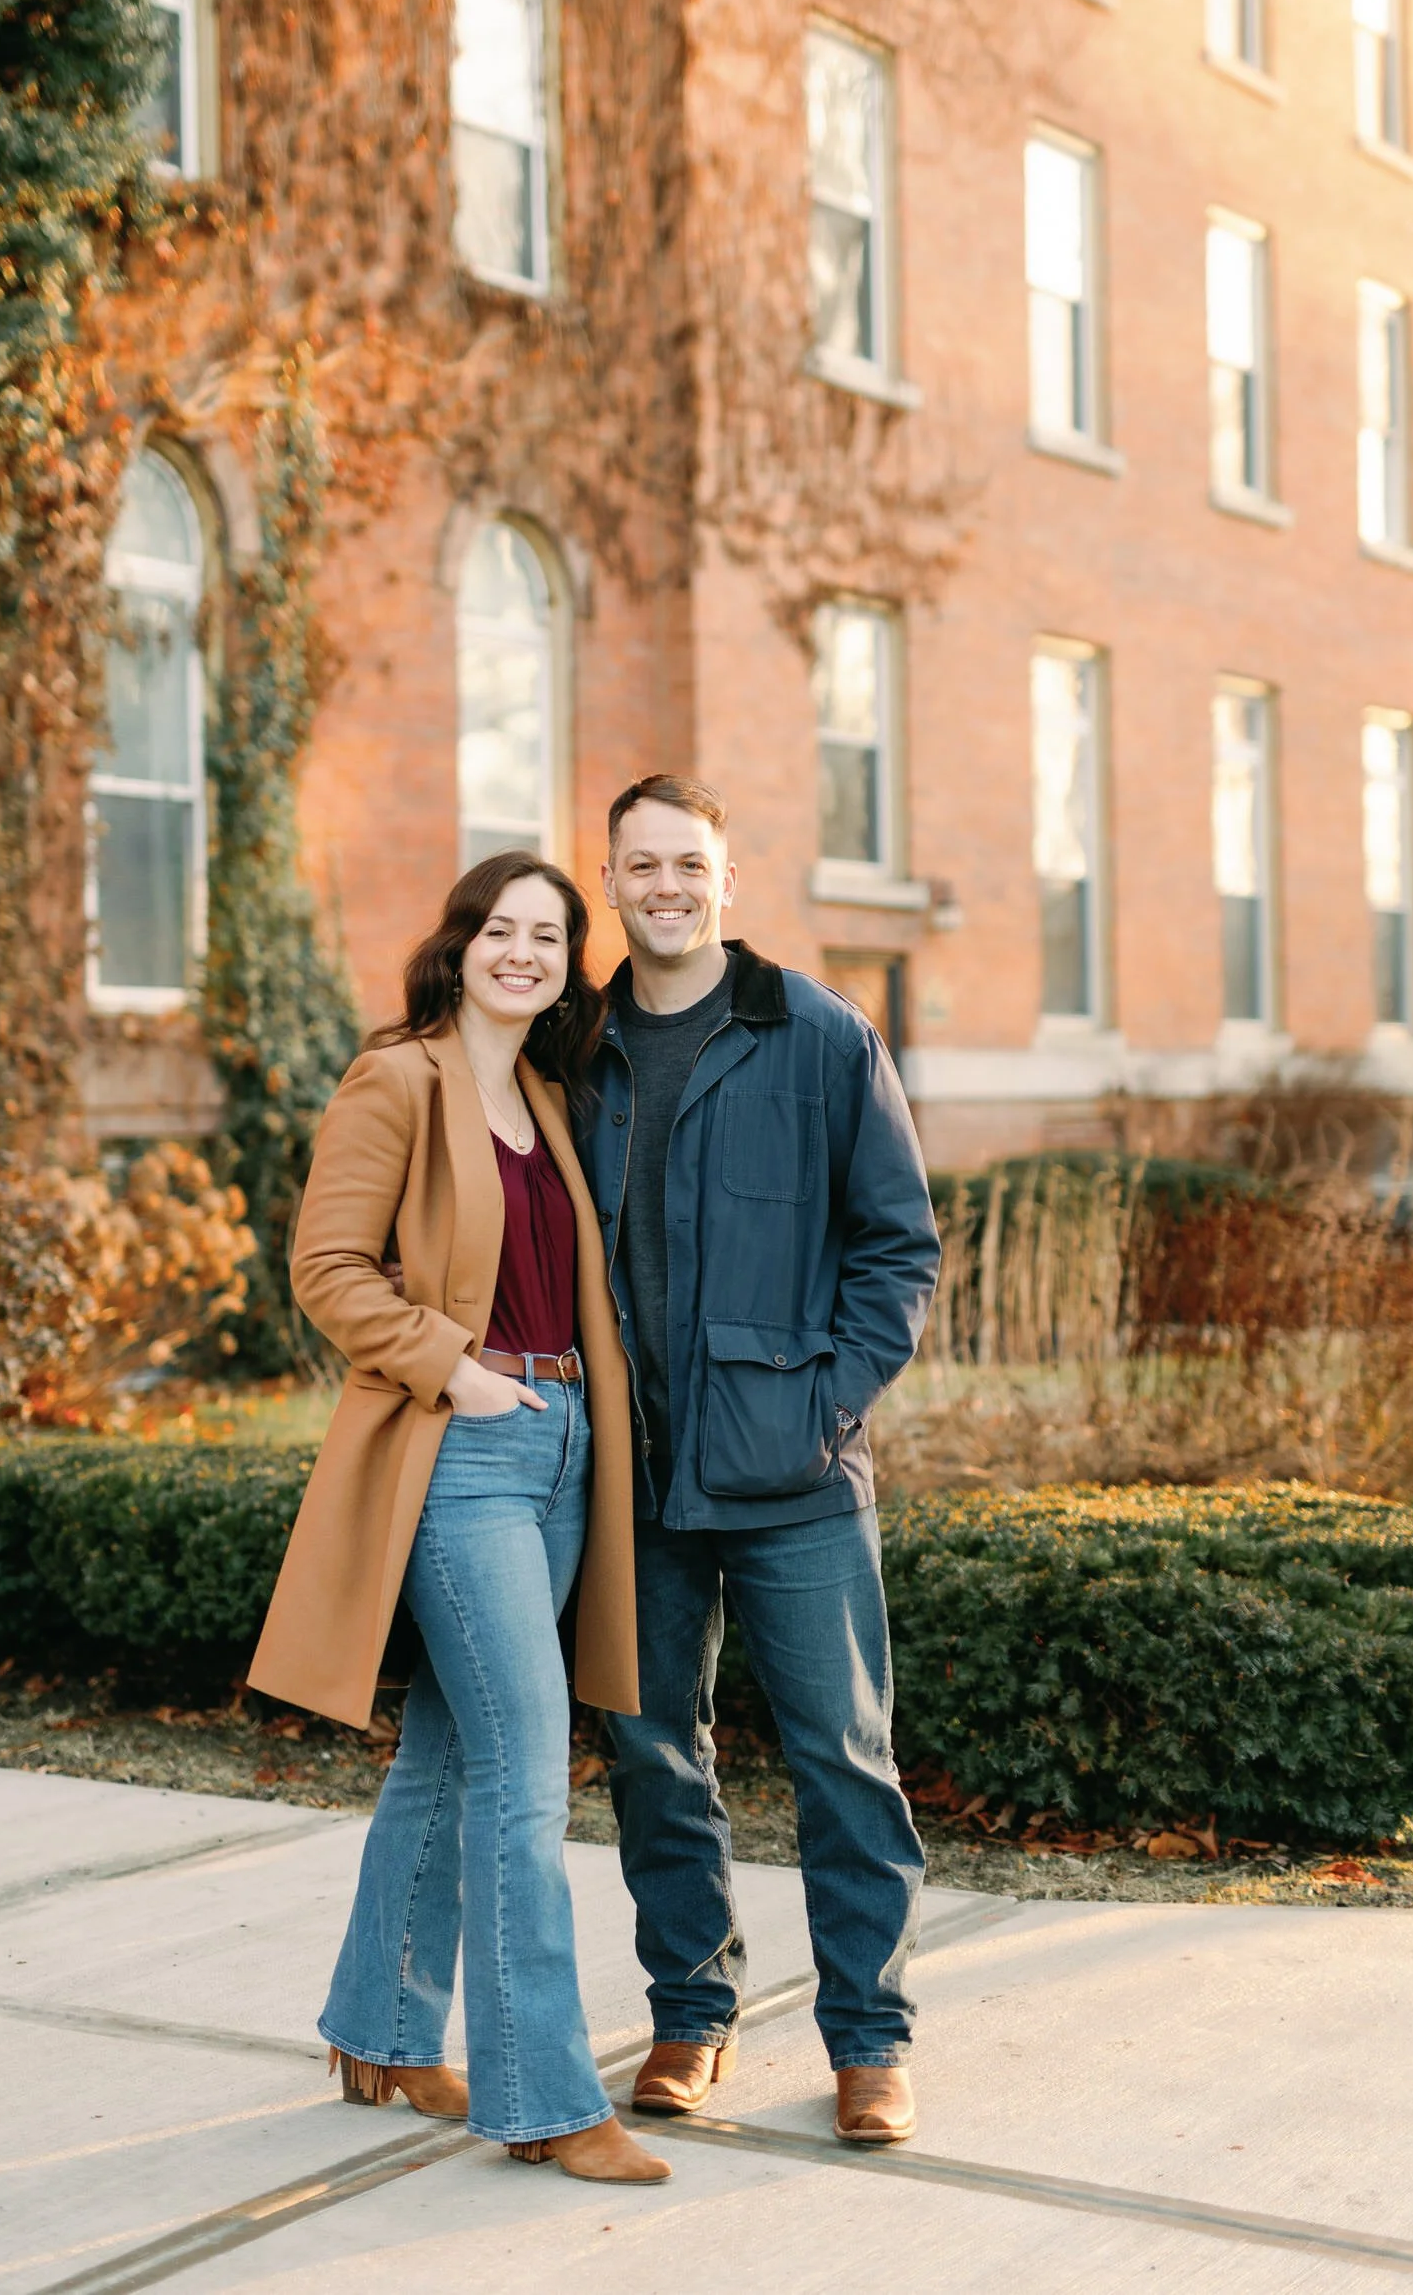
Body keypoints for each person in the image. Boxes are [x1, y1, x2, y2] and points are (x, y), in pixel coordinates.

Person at [249, 852, 669, 2186]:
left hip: (559, 1450)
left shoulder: (547, 1096)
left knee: (446, 1751)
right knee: (522, 1768)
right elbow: (323, 1266)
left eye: (549, 938)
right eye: (502, 929)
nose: (523, 954)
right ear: (460, 943)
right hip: (462, 1450)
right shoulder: (400, 1078)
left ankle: (378, 2030)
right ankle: (542, 2097)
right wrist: (459, 1368)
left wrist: (560, 1411)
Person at [576, 775, 942, 2147]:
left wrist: (823, 1410)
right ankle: (689, 2012)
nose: (664, 886)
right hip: (636, 1475)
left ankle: (867, 2042)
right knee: (651, 1753)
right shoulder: (579, 1049)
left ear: (726, 881)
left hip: (792, 1477)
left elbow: (896, 1246)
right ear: (609, 881)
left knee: (844, 1759)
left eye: (688, 864)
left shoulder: (821, 1037)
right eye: (639, 865)